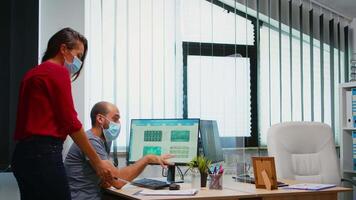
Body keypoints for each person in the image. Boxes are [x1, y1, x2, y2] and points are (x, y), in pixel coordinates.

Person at [11, 28, 113, 200]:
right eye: (78, 55)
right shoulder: (57, 72)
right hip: (44, 155)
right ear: (64, 49)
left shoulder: (31, 74)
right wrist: (97, 163)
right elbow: (71, 123)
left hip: (22, 155)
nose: (79, 61)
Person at [65, 101, 172, 200]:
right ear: (100, 119)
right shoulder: (91, 140)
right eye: (115, 119)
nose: (118, 123)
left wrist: (109, 179)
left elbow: (110, 180)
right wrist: (147, 159)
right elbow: (119, 181)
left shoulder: (104, 140)